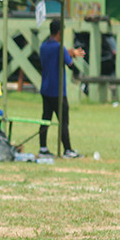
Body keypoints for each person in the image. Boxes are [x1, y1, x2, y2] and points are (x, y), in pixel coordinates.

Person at [38, 18, 84, 159]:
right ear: (59, 32)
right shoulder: (59, 48)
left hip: (45, 89)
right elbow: (70, 65)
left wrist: (70, 52)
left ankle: (43, 148)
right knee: (63, 121)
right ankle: (68, 150)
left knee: (45, 119)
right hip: (57, 90)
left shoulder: (43, 46)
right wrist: (78, 74)